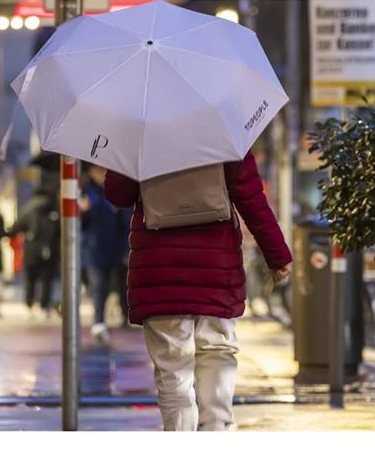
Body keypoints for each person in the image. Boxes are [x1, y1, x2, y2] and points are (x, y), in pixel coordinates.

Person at [104, 152, 292, 431]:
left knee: (174, 375)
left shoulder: (138, 128)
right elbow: (249, 193)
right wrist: (276, 255)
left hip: (160, 270)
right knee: (217, 354)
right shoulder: (223, 122)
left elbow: (118, 194)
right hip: (217, 266)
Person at [80, 164, 132, 342]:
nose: (100, 175)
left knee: (114, 286)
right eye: (96, 171)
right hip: (93, 250)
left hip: (113, 248)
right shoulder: (87, 193)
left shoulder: (115, 194)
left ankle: (118, 317)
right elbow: (82, 225)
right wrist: (82, 212)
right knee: (98, 286)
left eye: (102, 171)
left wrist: (126, 248)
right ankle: (99, 321)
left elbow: (124, 223)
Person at [8, 184, 60, 319]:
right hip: (50, 250)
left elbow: (16, 228)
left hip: (32, 249)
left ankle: (29, 305)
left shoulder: (28, 209)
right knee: (46, 280)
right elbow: (60, 232)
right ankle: (43, 306)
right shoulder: (55, 210)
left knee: (31, 279)